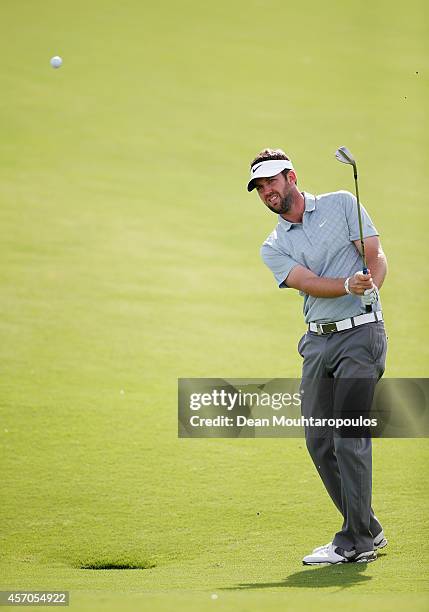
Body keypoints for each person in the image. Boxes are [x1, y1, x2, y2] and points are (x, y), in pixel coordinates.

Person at [247, 148, 388, 565]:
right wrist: (348, 285)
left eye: (271, 181)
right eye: (259, 187)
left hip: (360, 336)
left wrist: (370, 287)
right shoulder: (272, 246)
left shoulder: (342, 202)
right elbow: (307, 282)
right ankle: (369, 530)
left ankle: (356, 541)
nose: (267, 191)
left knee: (349, 436)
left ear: (290, 177)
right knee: (319, 440)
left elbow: (376, 256)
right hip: (317, 344)